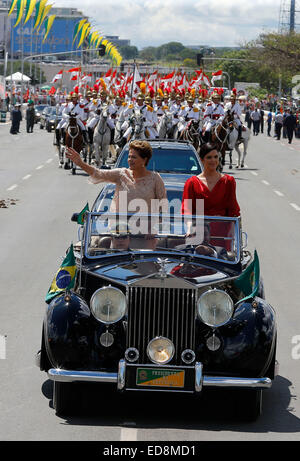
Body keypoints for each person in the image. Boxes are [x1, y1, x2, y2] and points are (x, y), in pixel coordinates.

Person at [66, 140, 167, 216]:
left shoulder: (155, 179)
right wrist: (80, 163)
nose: (130, 160)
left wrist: (153, 229)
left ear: (144, 160)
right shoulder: (121, 174)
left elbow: (163, 208)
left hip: (145, 235)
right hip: (119, 234)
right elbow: (98, 174)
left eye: (134, 157)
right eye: (129, 156)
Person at [181, 142, 240, 218]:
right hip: (199, 228)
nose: (213, 160)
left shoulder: (228, 181)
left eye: (216, 157)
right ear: (201, 160)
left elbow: (233, 210)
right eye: (209, 157)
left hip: (223, 228)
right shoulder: (192, 183)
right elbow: (187, 211)